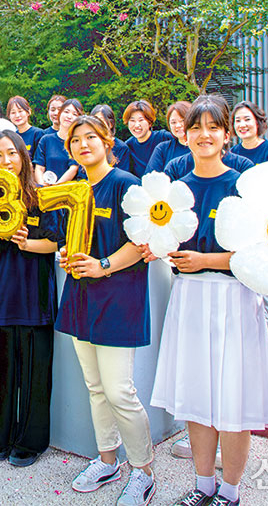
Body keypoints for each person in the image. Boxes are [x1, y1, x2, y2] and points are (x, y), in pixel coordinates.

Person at [149, 98, 268, 506]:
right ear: (184, 134)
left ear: (227, 135)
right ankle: (203, 484)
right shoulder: (177, 188)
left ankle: (231, 490)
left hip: (234, 298)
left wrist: (208, 260)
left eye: (214, 127)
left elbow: (264, 249)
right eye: (196, 127)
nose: (204, 135)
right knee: (197, 398)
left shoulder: (242, 186)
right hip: (189, 298)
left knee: (232, 398)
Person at [57, 116, 156, 503]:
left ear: (107, 140)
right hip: (82, 296)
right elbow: (74, 240)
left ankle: (143, 470)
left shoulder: (126, 185)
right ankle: (107, 459)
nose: (84, 145)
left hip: (119, 296)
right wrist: (69, 256)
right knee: (96, 388)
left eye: (91, 137)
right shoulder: (76, 189)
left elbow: (141, 242)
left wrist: (104, 265)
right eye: (76, 141)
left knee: (119, 391)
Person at [0, 130, 59, 467]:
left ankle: (32, 440)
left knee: (36, 373)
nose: (5, 161)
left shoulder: (41, 196)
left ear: (23, 157)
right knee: (2, 372)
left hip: (35, 298)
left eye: (12, 153)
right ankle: (1, 435)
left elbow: (55, 242)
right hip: (0, 297)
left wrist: (26, 243)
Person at [33, 98, 82, 185]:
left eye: (74, 114)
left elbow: (73, 169)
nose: (69, 116)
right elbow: (39, 167)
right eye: (66, 112)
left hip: (67, 192)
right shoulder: (46, 140)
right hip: (45, 190)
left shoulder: (77, 142)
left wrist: (56, 187)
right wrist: (42, 185)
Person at [123, 100, 173, 177]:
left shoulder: (163, 137)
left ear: (149, 122)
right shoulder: (128, 146)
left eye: (141, 120)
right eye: (132, 120)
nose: (137, 125)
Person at [145, 101, 191, 174]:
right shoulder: (162, 149)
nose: (178, 125)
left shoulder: (202, 148)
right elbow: (150, 178)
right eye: (173, 122)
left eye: (183, 120)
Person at [89, 104, 131, 172]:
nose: (97, 124)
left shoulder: (121, 148)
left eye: (101, 121)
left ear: (111, 124)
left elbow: (123, 174)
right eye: (94, 121)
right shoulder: (88, 145)